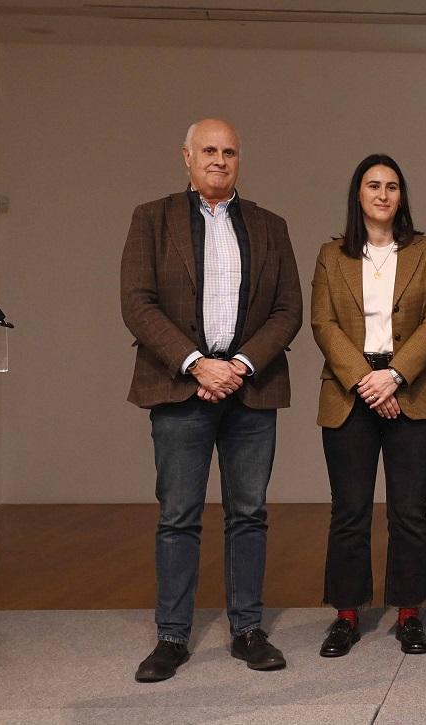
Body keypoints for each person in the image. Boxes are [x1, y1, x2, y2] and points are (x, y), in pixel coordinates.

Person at [121, 118, 302, 682]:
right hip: (180, 387)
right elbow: (137, 302)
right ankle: (172, 637)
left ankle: (248, 630)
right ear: (186, 157)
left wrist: (240, 366)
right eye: (209, 151)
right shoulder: (151, 219)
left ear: (239, 159)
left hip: (250, 388)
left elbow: (288, 311)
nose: (220, 160)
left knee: (249, 514)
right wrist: (197, 364)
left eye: (229, 152)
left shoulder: (272, 226)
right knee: (178, 517)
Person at [311, 154, 426, 657]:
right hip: (350, 393)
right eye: (373, 185)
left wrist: (392, 377)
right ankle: (347, 615)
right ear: (358, 194)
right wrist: (366, 381)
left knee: (409, 511)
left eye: (392, 186)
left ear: (402, 196)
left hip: (411, 389)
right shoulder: (332, 255)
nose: (383, 194)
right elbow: (323, 324)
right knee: (349, 511)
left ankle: (409, 613)